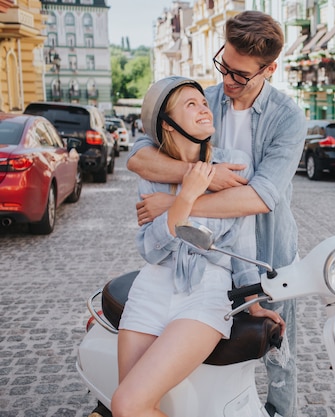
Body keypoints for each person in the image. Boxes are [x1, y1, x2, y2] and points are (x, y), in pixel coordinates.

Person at [127, 11, 306, 417]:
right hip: (214, 260)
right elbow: (139, 157)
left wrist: (178, 204)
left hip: (271, 256)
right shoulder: (203, 99)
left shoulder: (288, 118)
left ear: (270, 69)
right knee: (214, 355)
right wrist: (198, 177)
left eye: (240, 75)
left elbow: (261, 197)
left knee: (280, 357)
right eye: (223, 65)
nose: (227, 81)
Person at [111, 76, 284, 417]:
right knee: (130, 409)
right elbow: (150, 249)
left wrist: (253, 303)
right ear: (168, 125)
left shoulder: (233, 162)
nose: (204, 108)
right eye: (191, 105)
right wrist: (187, 193)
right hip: (151, 289)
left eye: (204, 102)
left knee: (127, 404)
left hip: (206, 293)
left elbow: (242, 245)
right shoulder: (152, 170)